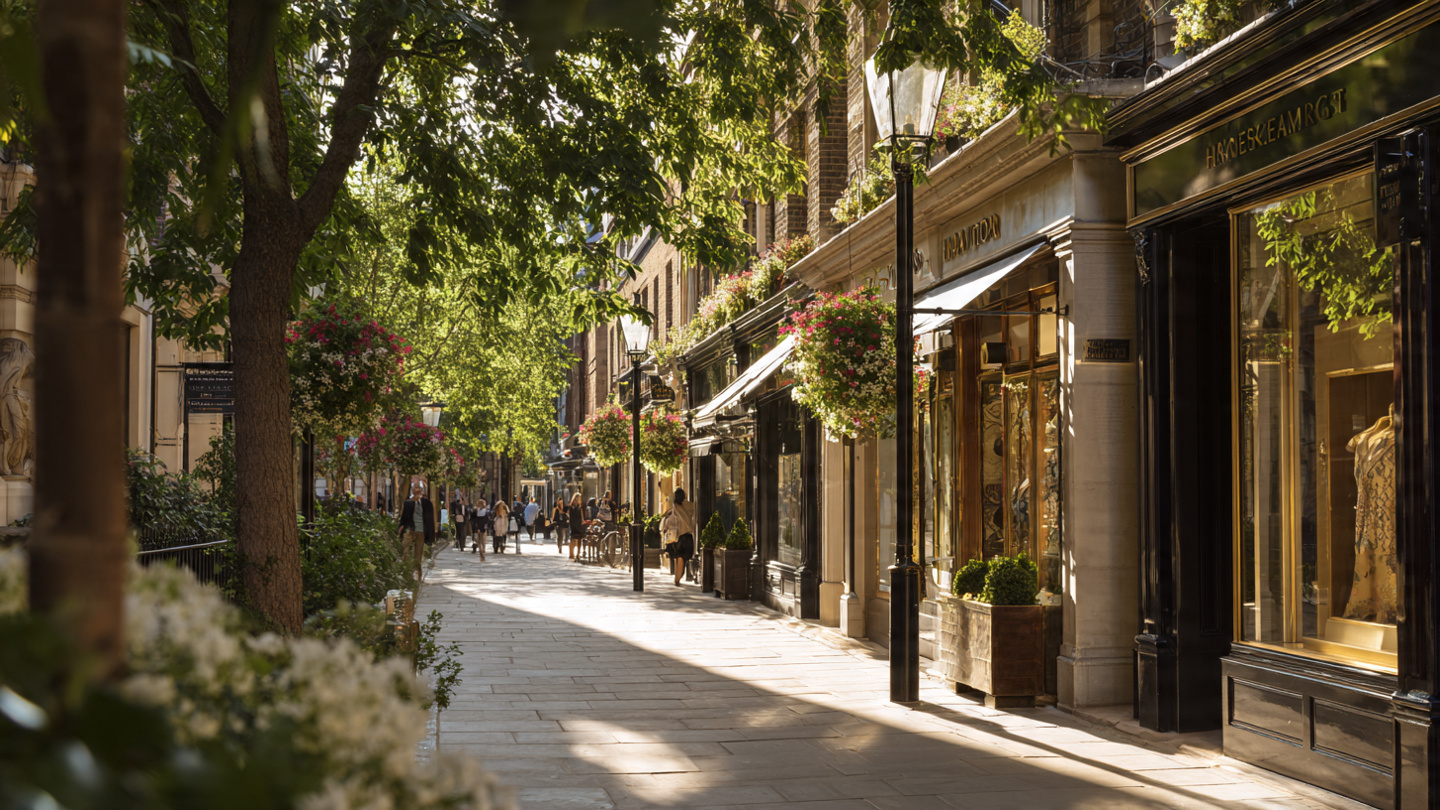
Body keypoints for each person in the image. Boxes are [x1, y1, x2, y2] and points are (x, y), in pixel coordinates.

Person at [396, 481, 435, 573]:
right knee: (406, 553)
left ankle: (418, 574)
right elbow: (404, 518)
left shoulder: (426, 503)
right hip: (410, 531)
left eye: (419, 488)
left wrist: (431, 536)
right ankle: (407, 573)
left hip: (421, 532)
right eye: (416, 488)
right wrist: (400, 529)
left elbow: (430, 520)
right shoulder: (408, 503)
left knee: (418, 555)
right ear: (412, 490)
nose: (418, 490)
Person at [661, 488, 696, 587]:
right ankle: (678, 578)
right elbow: (694, 514)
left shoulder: (673, 506)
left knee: (678, 557)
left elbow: (666, 517)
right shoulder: (690, 505)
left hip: (676, 536)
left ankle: (677, 578)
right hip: (687, 534)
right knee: (684, 557)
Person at [567, 492, 585, 559]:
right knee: (572, 539)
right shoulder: (570, 507)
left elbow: (582, 516)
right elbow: (568, 514)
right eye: (575, 499)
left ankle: (577, 554)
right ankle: (571, 554)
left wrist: (582, 522)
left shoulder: (580, 507)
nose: (576, 500)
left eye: (577, 499)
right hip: (573, 524)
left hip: (578, 524)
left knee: (579, 539)